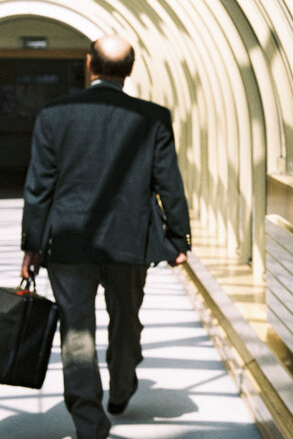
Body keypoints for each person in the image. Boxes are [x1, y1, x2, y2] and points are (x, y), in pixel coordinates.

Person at [20, 34, 191, 439]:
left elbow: (40, 185)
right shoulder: (153, 117)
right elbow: (169, 182)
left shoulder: (54, 114)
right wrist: (178, 240)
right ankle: (123, 384)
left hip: (68, 241)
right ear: (129, 71)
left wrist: (32, 244)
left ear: (89, 65)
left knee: (76, 330)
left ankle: (89, 422)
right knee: (127, 318)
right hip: (129, 239)